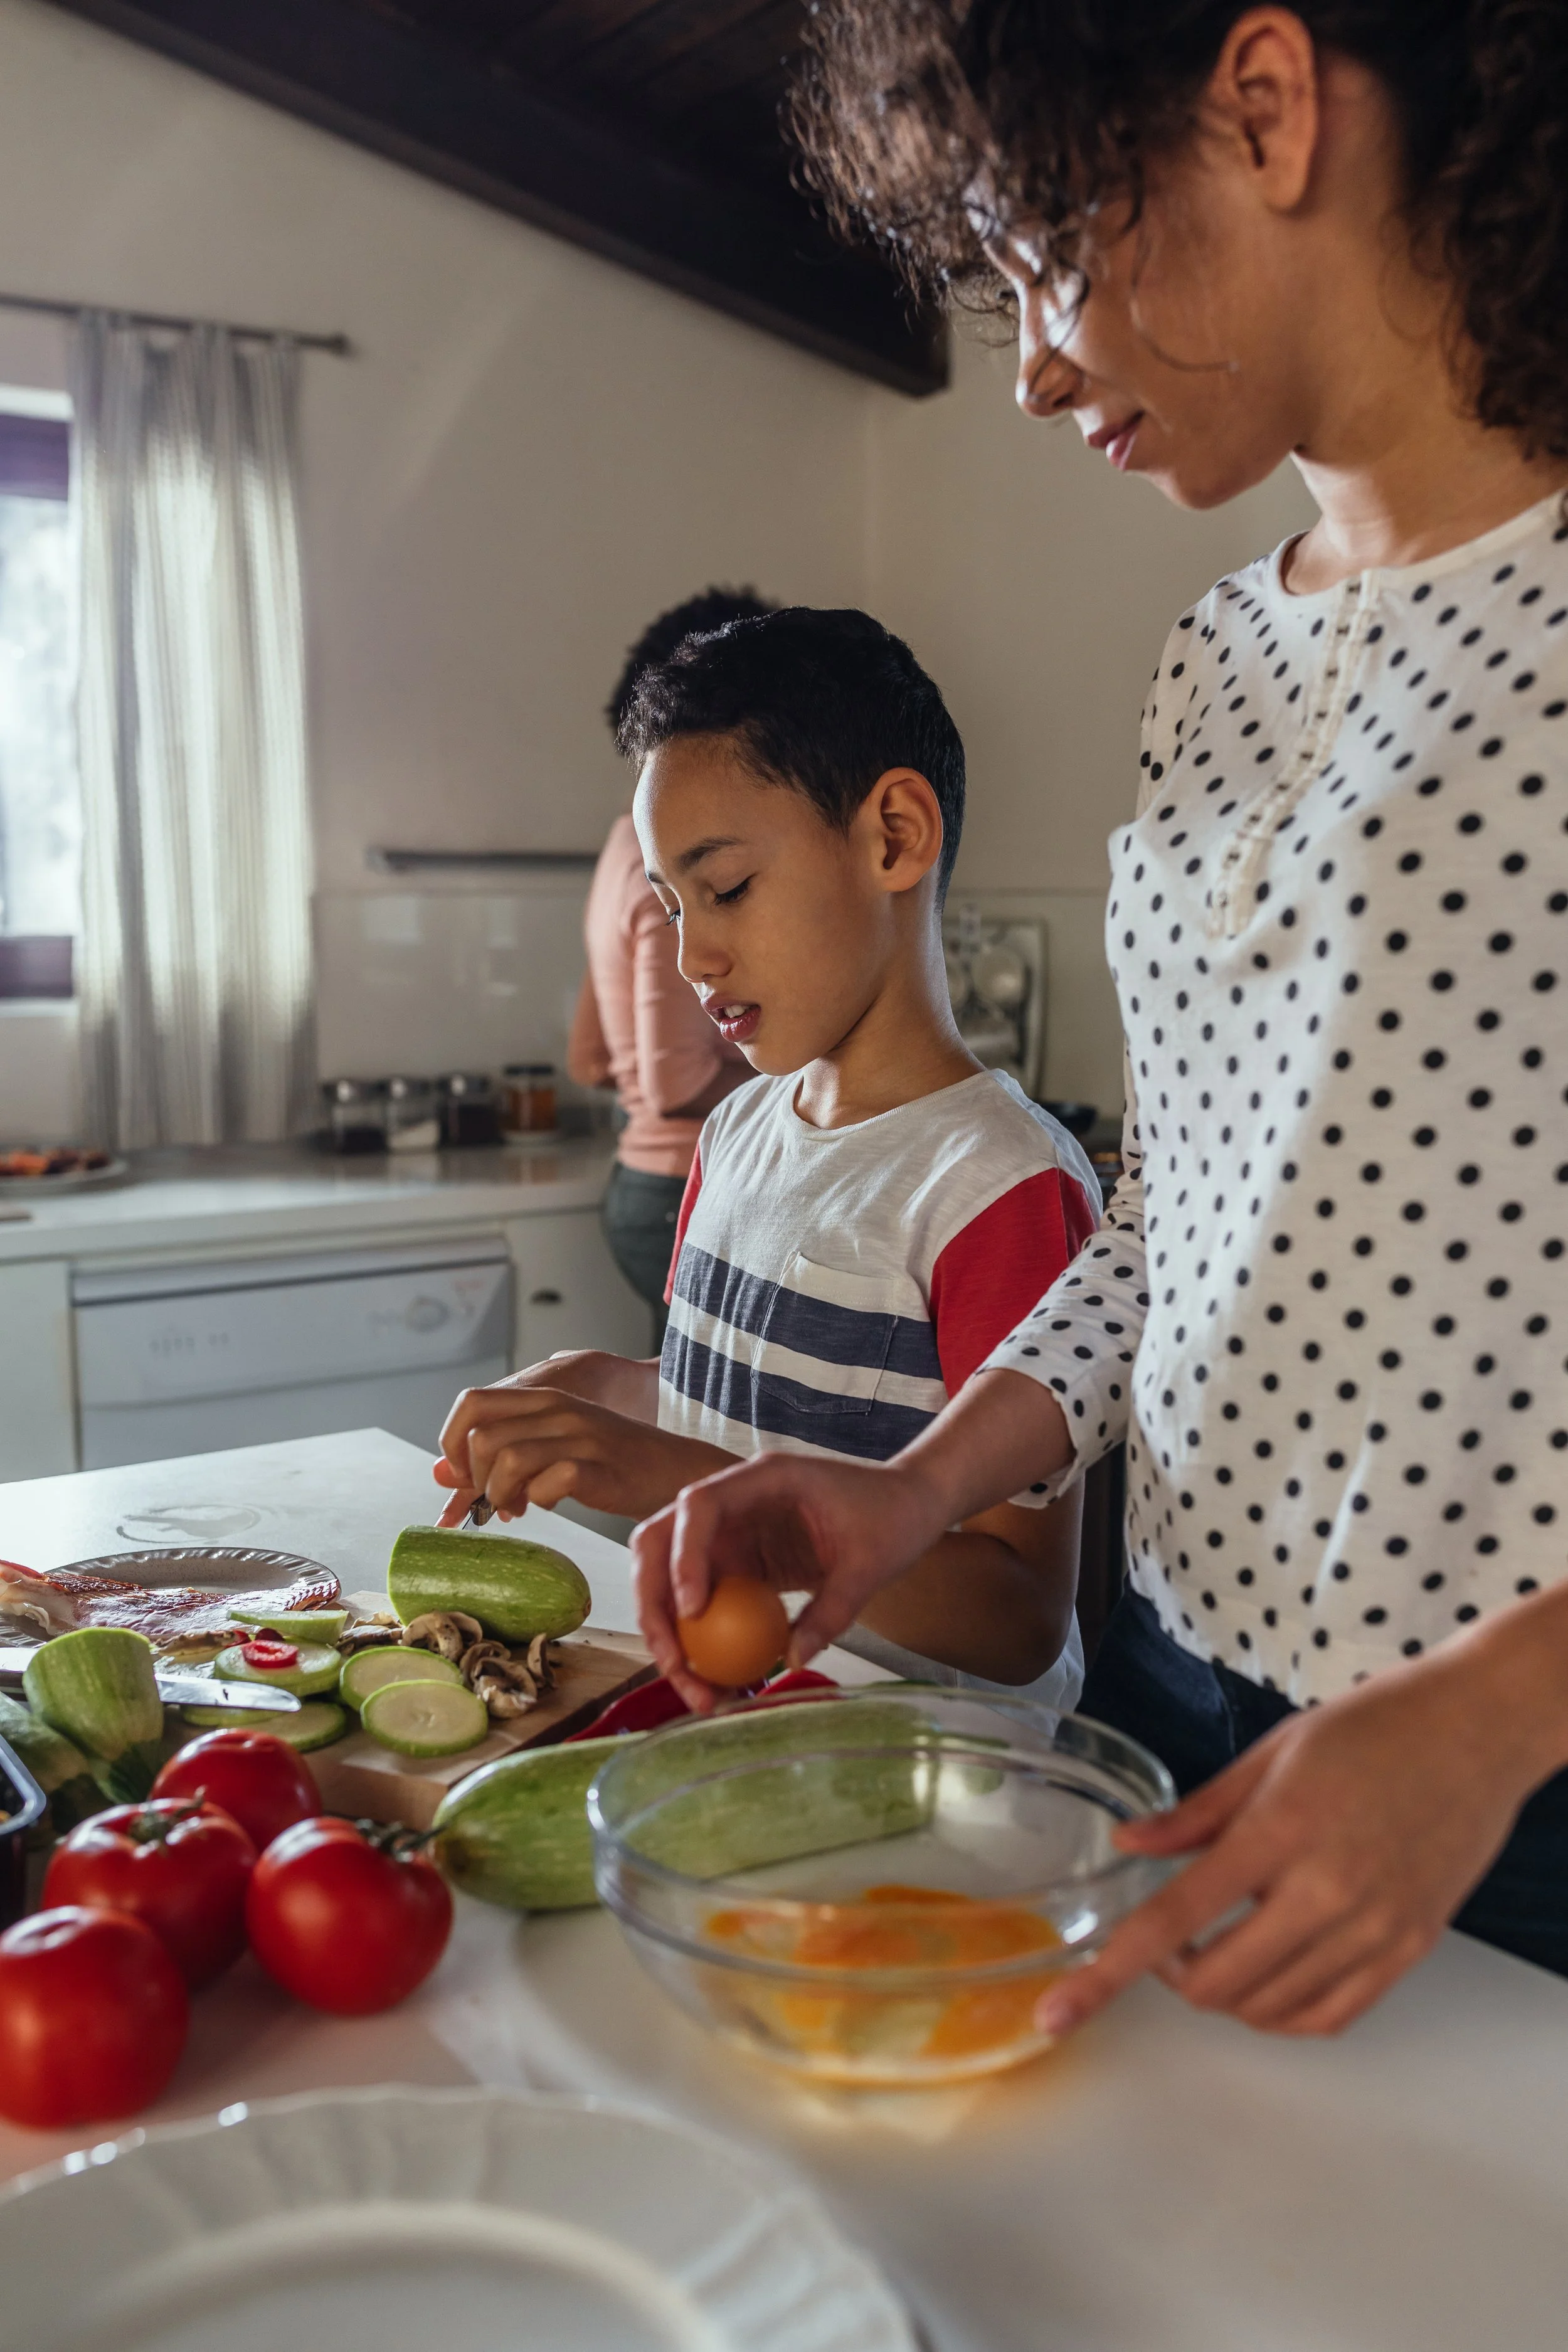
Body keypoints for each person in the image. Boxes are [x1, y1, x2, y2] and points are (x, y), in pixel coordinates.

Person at [631, 3, 1568, 2040]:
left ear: (1266, 104)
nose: (1036, 362)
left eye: (1046, 248)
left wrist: (1496, 1719)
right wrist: (920, 1490)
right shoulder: (1222, 656)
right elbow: (1177, 1215)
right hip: (1199, 1683)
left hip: (1507, 1770)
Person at [437, 607, 1101, 1698]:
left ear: (894, 835)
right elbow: (768, 1401)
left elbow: (1019, 1615)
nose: (695, 956)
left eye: (728, 887)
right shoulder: (742, 1129)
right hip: (735, 1716)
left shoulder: (999, 1185)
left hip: (926, 1774)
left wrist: (662, 1470)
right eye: (669, 905)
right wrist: (607, 1393)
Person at [568, 588, 773, 1348]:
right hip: (680, 1186)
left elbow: (588, 1058)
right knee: (698, 1431)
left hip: (639, 1187)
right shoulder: (678, 876)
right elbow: (676, 1082)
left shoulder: (624, 852)